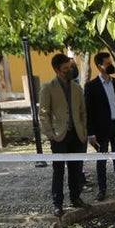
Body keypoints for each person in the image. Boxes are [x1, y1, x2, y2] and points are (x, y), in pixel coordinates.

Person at [39, 54, 90, 217]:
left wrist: (84, 130)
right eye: (66, 68)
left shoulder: (77, 88)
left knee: (76, 169)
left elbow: (83, 111)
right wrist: (50, 134)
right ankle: (58, 203)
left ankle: (76, 197)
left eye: (70, 67)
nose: (70, 70)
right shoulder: (48, 88)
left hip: (77, 135)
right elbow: (44, 113)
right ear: (57, 70)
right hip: (59, 136)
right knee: (58, 170)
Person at [84, 51, 115, 202]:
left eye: (111, 63)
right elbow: (88, 111)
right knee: (101, 160)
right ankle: (102, 189)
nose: (111, 66)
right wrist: (91, 133)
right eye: (108, 64)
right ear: (99, 66)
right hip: (101, 129)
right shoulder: (91, 86)